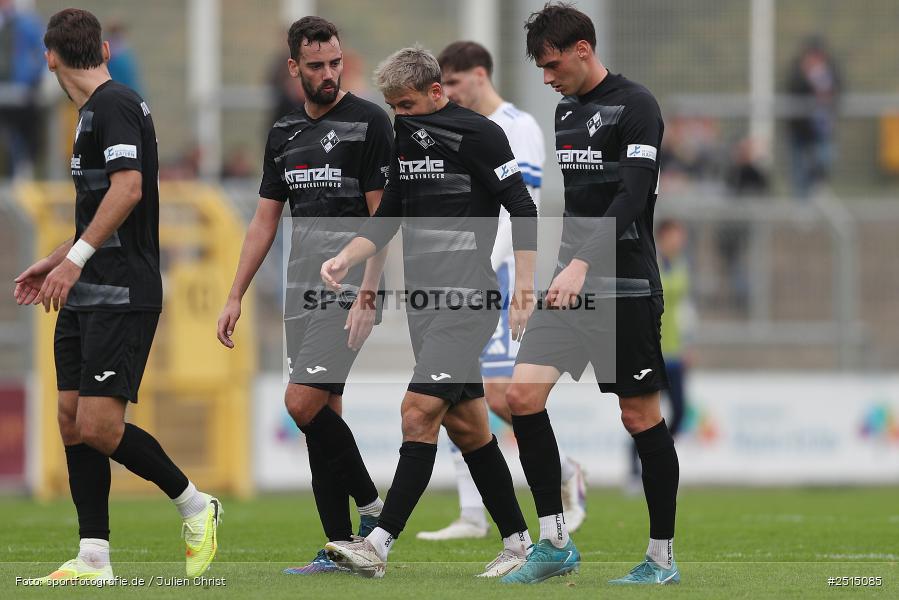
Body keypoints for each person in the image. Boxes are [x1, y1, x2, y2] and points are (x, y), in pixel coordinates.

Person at [13, 8, 220, 582]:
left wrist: (73, 261)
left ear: (50, 57)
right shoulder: (89, 116)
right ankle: (93, 557)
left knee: (101, 428)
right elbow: (102, 209)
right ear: (102, 48)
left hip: (121, 290)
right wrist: (55, 259)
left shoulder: (116, 105)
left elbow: (129, 190)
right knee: (70, 419)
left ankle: (196, 505)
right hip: (86, 287)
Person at [319, 46, 538, 579]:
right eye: (394, 106)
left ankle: (378, 542)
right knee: (469, 429)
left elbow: (523, 207)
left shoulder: (481, 134)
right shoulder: (402, 135)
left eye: (408, 104)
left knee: (418, 411)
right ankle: (519, 543)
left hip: (467, 303)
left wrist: (525, 286)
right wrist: (347, 256)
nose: (401, 115)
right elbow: (390, 210)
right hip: (425, 307)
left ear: (437, 91)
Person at [500, 3, 680, 585]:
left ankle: (660, 559)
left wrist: (578, 263)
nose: (547, 78)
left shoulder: (637, 105)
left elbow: (632, 196)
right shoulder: (565, 113)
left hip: (623, 285)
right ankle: (553, 541)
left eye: (552, 65)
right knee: (520, 396)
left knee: (639, 415)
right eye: (540, 68)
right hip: (570, 284)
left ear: (583, 48)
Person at [216, 16, 389, 576]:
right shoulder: (284, 132)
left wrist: (369, 291)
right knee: (323, 417)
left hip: (345, 292)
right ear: (294, 68)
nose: (328, 74)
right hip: (299, 291)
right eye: (316, 66)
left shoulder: (369, 123)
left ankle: (372, 507)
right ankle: (342, 548)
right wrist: (235, 295)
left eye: (335, 63)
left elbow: (382, 218)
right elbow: (264, 222)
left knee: (299, 404)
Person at [414, 40, 586, 542]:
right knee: (450, 390)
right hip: (459, 279)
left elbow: (521, 204)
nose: (447, 94)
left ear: (480, 75)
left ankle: (565, 472)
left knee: (498, 394)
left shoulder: (518, 126)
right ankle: (472, 513)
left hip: (501, 275)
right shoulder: (454, 129)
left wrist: (495, 270)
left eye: (454, 83)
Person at [627, 219, 691, 493]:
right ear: (663, 238)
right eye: (674, 236)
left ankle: (657, 456)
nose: (678, 242)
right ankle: (634, 470)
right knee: (645, 414)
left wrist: (689, 344)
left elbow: (685, 309)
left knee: (678, 412)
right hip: (655, 349)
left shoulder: (681, 265)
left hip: (676, 351)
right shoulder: (651, 263)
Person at [787, 36, 841, 199]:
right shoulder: (798, 71)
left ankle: (818, 191)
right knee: (800, 168)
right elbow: (794, 90)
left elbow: (839, 90)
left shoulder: (830, 71)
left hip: (823, 128)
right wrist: (807, 76)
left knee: (824, 159)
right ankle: (802, 205)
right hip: (801, 130)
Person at [0, 0, 45, 177]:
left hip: (22, 90)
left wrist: (32, 76)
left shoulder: (26, 23)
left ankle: (23, 170)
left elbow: (42, 51)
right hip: (8, 89)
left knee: (24, 134)